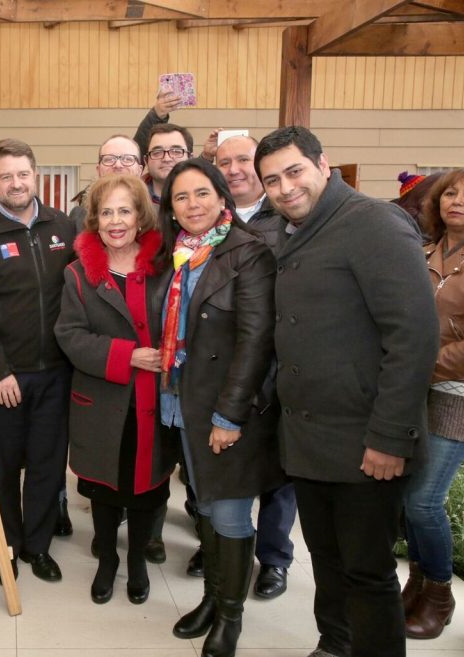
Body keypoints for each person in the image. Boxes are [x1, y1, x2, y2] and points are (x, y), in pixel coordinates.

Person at [255, 126, 439, 657]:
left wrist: (390, 438)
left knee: (367, 572)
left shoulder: (374, 223)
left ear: (323, 164)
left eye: (294, 171)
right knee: (327, 561)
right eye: (272, 181)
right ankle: (335, 644)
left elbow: (413, 338)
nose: (285, 188)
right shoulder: (291, 230)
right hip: (310, 442)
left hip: (367, 444)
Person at [157, 160, 283, 657]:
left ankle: (230, 617)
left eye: (202, 193)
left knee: (229, 514)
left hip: (228, 407)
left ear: (221, 197)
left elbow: (256, 342)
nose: (193, 205)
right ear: (170, 208)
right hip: (182, 399)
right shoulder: (176, 254)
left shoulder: (247, 252)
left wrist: (229, 416)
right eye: (181, 197)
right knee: (205, 506)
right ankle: (213, 597)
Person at [0, 138, 77, 584]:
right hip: (5, 377)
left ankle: (38, 546)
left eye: (23, 174)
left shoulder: (62, 226)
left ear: (35, 175)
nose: (16, 183)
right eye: (6, 176)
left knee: (48, 465)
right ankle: (6, 545)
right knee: (2, 467)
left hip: (57, 372)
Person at [55, 174, 175, 605]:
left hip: (153, 401)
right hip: (101, 402)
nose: (115, 221)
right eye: (106, 212)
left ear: (141, 216)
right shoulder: (77, 273)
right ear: (94, 219)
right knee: (105, 490)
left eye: (125, 210)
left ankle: (138, 562)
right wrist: (127, 356)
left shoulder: (167, 266)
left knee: (146, 489)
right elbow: (70, 336)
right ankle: (107, 560)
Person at [402, 168, 464, 639]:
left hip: (460, 391)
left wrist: (424, 367)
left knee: (425, 501)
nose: (456, 201)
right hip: (411, 390)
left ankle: (440, 595)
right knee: (407, 498)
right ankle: (417, 585)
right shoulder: (425, 250)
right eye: (450, 193)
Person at [213, 134, 297, 599]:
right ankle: (223, 547)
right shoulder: (211, 219)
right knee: (226, 466)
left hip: (279, 365)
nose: (234, 169)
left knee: (278, 473)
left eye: (243, 159)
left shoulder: (287, 215)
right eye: (223, 162)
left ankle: (274, 559)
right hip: (224, 366)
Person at [69, 134, 144, 230]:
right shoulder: (79, 219)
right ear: (98, 170)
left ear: (140, 170)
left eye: (128, 159)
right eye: (109, 159)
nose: (118, 165)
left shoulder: (155, 216)